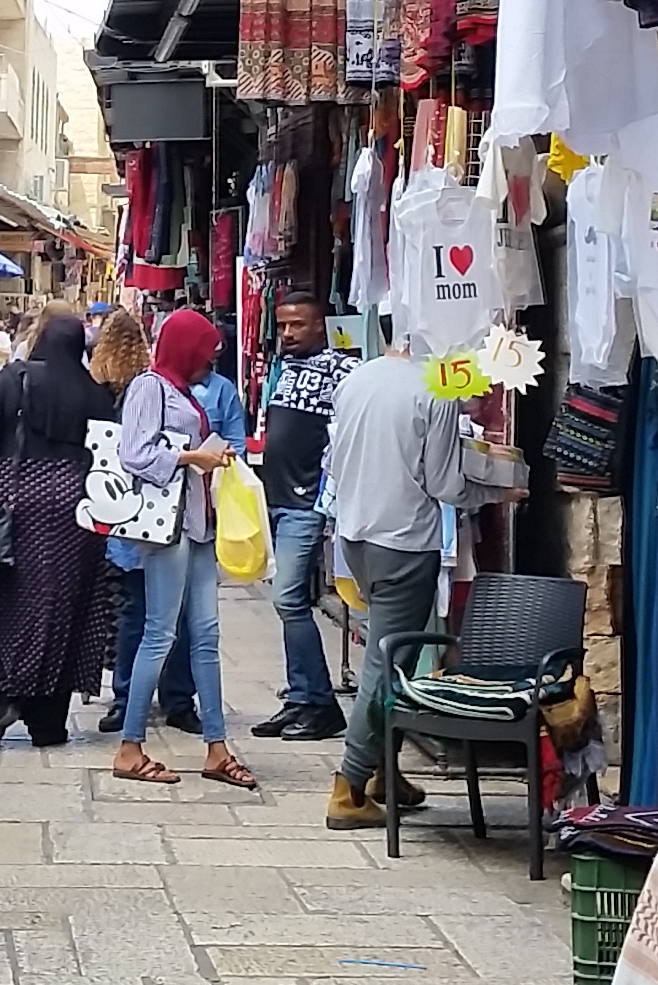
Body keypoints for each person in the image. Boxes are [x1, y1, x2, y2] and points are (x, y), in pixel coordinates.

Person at [321, 346, 499, 828]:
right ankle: (350, 786)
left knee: (388, 656)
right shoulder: (434, 390)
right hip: (403, 542)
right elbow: (444, 482)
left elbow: (335, 462)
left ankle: (384, 772)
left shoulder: (357, 379)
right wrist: (496, 489)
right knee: (386, 662)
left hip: (356, 535)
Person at [0, 304, 122, 747]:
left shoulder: (16, 378)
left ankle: (5, 690)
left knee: (9, 602)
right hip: (76, 511)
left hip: (14, 504)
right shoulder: (95, 393)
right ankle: (47, 722)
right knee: (65, 610)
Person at [110, 309, 256, 789]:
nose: (210, 359)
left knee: (207, 634)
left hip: (197, 525)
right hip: (166, 528)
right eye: (205, 350)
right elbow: (133, 452)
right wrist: (194, 457)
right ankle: (130, 746)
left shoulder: (182, 391)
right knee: (159, 633)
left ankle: (217, 745)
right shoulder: (149, 388)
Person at [250, 295, 352, 741]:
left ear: (320, 327)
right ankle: (300, 698)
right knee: (285, 600)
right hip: (273, 498)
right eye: (283, 325)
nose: (288, 333)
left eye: (298, 325)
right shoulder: (283, 368)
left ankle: (321, 705)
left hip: (305, 502)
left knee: (289, 599)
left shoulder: (340, 370)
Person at [93, 309, 199, 733]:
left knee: (139, 611)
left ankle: (126, 698)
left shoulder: (107, 387)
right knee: (171, 615)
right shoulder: (166, 388)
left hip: (131, 513)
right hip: (157, 516)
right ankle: (173, 699)